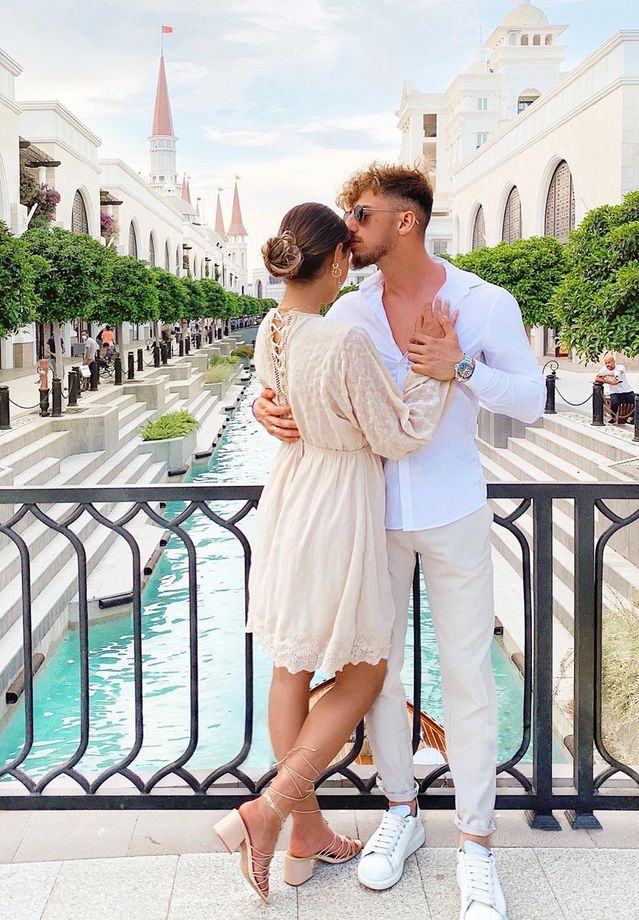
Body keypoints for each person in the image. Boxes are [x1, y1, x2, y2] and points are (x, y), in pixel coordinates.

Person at [255, 164, 545, 920]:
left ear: (405, 218)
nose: (347, 226)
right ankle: (401, 814)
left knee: (468, 678)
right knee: (376, 676)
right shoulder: (347, 315)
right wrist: (266, 407)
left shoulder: (485, 302)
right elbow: (302, 386)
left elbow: (533, 399)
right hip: (367, 516)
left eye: (359, 212)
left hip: (452, 509)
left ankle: (477, 846)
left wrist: (462, 367)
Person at [213, 202, 454, 904]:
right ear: (340, 262)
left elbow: (277, 398)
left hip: (289, 497)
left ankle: (305, 835)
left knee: (292, 667)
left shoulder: (272, 328)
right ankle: (271, 810)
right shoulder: (339, 340)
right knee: (365, 666)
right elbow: (400, 431)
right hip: (340, 502)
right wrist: (436, 367)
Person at [595, 352, 635, 424]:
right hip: (615, 392)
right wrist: (610, 382)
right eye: (606, 363)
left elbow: (619, 372)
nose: (607, 365)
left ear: (614, 362)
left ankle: (631, 417)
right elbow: (597, 378)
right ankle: (613, 417)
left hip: (626, 390)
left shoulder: (620, 367)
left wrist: (605, 374)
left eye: (609, 362)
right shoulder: (603, 369)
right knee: (614, 403)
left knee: (635, 401)